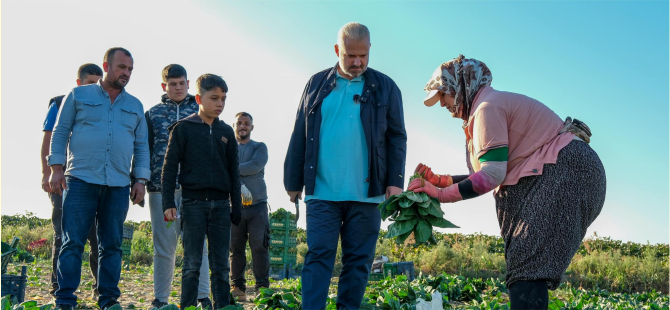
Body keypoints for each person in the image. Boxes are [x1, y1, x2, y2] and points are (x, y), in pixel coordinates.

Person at [409, 55, 606, 310]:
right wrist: (441, 182)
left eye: (443, 96)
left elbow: (492, 176)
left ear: (459, 86)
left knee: (527, 268)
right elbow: (487, 173)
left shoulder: (486, 109)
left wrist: (439, 194)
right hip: (567, 171)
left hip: (567, 171)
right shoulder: (484, 109)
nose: (442, 104)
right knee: (525, 266)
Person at [283, 22, 407, 309]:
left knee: (359, 262)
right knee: (319, 255)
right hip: (322, 190)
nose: (357, 62)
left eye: (362, 55)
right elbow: (300, 131)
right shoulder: (316, 84)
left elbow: (397, 136)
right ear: (337, 50)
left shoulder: (385, 87)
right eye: (350, 55)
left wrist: (394, 181)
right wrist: (293, 181)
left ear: (369, 50)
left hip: (368, 192)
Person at [48, 47, 150, 310]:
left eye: (130, 69)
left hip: (117, 185)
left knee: (111, 246)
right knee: (72, 243)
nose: (126, 73)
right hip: (80, 179)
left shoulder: (135, 105)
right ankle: (65, 300)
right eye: (121, 67)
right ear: (107, 66)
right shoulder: (79, 95)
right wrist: (55, 169)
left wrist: (141, 180)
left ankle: (107, 300)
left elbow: (141, 147)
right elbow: (60, 133)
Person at [161, 74, 242, 310]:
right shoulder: (183, 128)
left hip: (220, 207)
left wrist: (235, 207)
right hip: (193, 203)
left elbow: (234, 174)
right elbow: (169, 168)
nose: (220, 104)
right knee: (192, 264)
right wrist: (168, 202)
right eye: (214, 98)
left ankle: (222, 307)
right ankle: (187, 306)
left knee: (221, 266)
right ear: (198, 97)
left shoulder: (226, 131)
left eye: (224, 99)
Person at [145, 64, 212, 309]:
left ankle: (203, 296)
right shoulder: (152, 114)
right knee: (164, 247)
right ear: (165, 86)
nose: (177, 88)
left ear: (188, 83)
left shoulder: (201, 111)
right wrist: (140, 181)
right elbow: (145, 150)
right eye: (172, 84)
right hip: (161, 190)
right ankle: (160, 299)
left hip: (195, 190)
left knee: (198, 245)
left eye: (182, 83)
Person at [41, 63, 103, 300]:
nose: (96, 87)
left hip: (94, 179)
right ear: (79, 83)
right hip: (63, 178)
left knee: (98, 235)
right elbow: (48, 139)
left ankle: (100, 287)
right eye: (90, 83)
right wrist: (46, 172)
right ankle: (59, 286)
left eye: (99, 82)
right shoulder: (59, 102)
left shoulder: (106, 105)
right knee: (63, 234)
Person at [230, 112, 270, 301]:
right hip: (234, 206)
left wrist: (231, 170)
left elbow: (255, 166)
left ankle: (262, 287)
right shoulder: (228, 148)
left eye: (247, 123)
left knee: (259, 247)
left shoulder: (260, 147)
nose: (243, 126)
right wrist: (238, 181)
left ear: (252, 127)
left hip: (257, 206)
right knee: (235, 249)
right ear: (234, 125)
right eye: (239, 123)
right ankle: (238, 287)